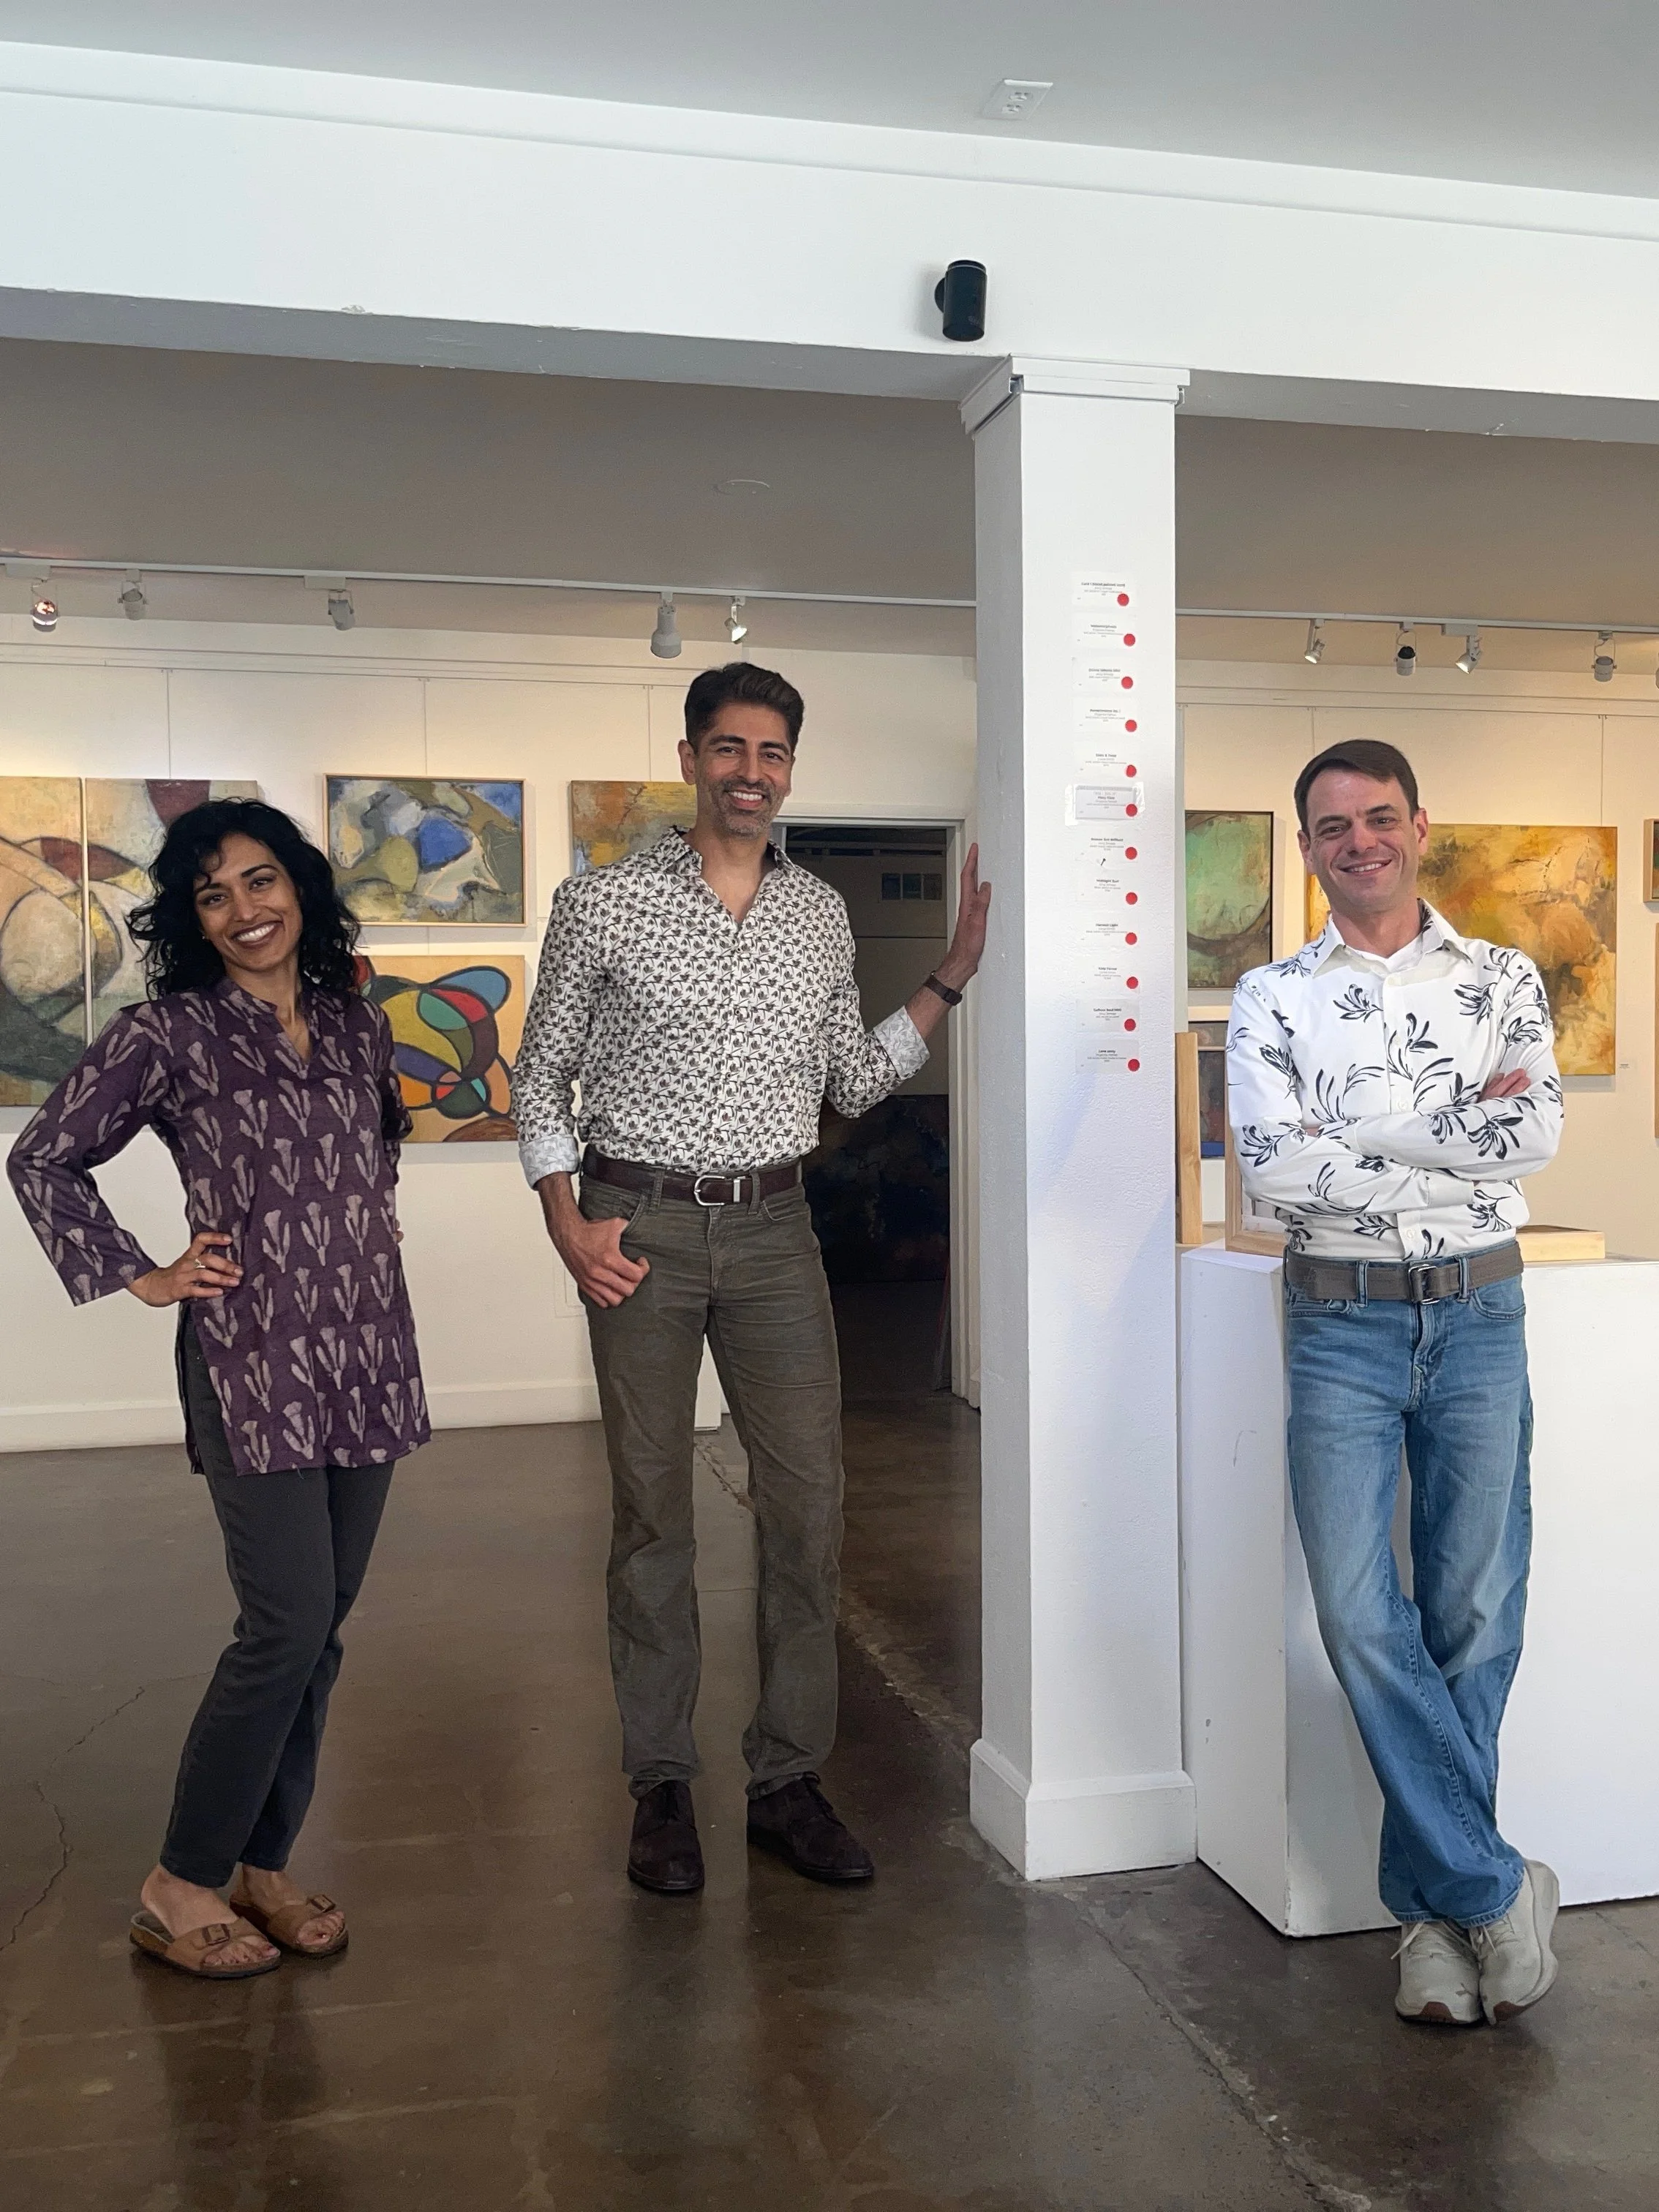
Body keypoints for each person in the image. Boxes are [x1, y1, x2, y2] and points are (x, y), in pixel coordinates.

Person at [514, 661, 990, 1893]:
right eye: (727, 748)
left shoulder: (818, 917)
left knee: (809, 1507)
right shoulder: (603, 905)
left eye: (771, 753)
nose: (749, 772)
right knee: (653, 1513)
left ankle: (786, 1776)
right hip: (638, 1228)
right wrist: (568, 1222)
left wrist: (947, 979)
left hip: (778, 1232)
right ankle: (660, 1784)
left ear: (790, 769)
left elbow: (849, 1079)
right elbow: (540, 1077)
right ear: (689, 759)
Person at [7, 798, 429, 1979]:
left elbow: (374, 1146)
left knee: (322, 1633)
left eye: (261, 881)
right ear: (194, 920)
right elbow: (43, 1156)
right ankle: (179, 1879)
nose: (245, 910)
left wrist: (354, 1230)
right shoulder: (167, 1034)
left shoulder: (354, 1023)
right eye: (213, 895)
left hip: (367, 1349)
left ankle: (264, 1863)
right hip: (251, 1359)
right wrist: (142, 1274)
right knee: (282, 1623)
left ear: (299, 885)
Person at [1227, 740, 1564, 2028]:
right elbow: (1273, 1170)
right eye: (1330, 826)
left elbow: (1528, 1136)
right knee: (1362, 1616)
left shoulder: (1504, 978)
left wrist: (1348, 1130)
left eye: (1378, 818)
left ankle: (1431, 1918)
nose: (1357, 841)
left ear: (1421, 825)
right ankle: (1493, 1886)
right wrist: (1446, 1145)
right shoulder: (1272, 996)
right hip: (1341, 1329)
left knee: (1475, 1609)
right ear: (1305, 845)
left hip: (1480, 1313)